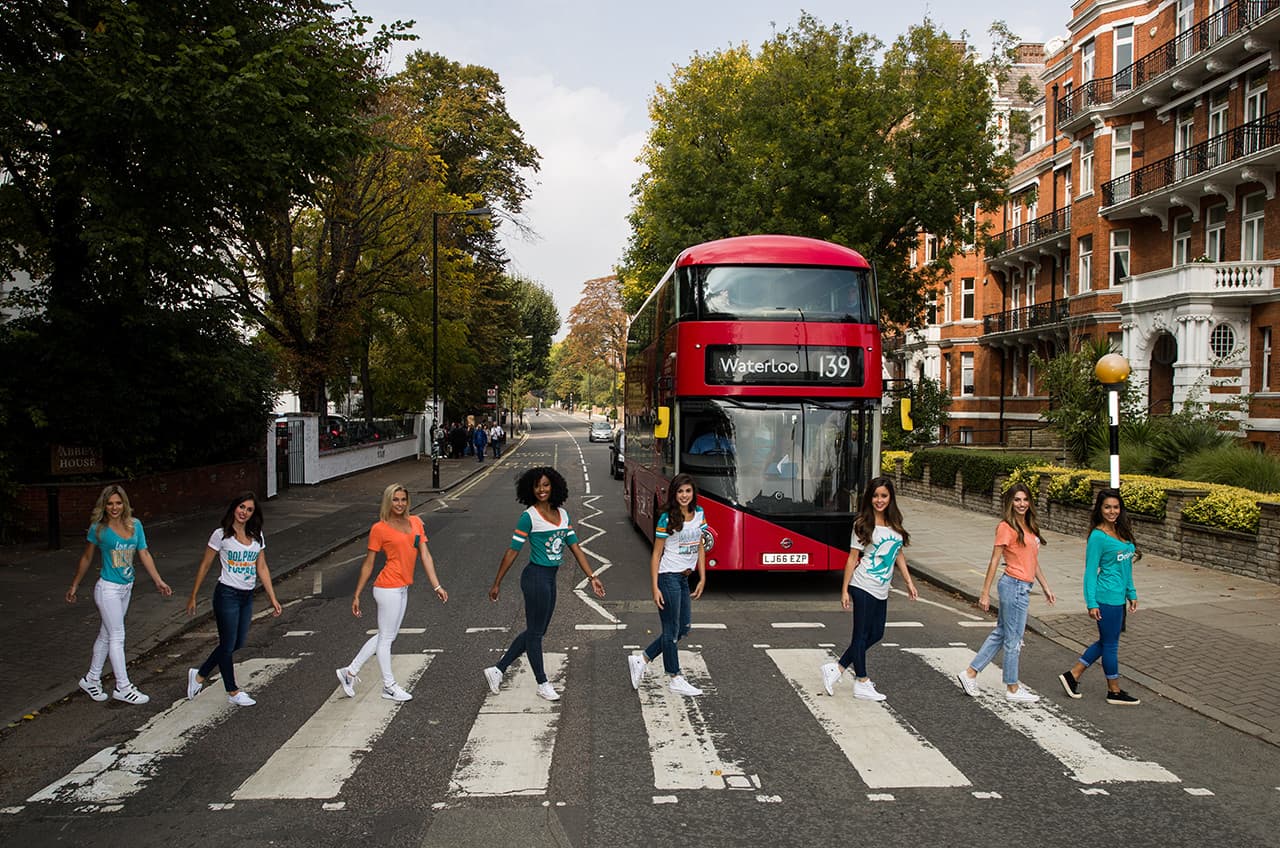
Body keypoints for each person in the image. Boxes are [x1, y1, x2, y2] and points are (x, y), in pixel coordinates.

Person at [485, 467, 604, 701]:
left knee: (536, 631)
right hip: (535, 577)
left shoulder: (563, 515)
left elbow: (575, 548)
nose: (542, 490)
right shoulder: (529, 517)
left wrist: (592, 577)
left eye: (546, 485)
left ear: (554, 487)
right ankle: (542, 683)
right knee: (536, 633)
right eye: (537, 486)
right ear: (530, 489)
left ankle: (498, 669)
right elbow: (512, 551)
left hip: (550, 578)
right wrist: (497, 582)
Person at [336, 483, 448, 701]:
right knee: (386, 638)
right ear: (388, 501)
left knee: (385, 635)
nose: (400, 504)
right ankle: (389, 686)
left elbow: (425, 555)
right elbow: (369, 563)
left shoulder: (415, 522)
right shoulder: (380, 528)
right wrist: (357, 594)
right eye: (395, 500)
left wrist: (437, 585)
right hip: (387, 588)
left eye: (403, 499)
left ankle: (349, 672)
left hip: (402, 587)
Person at [66, 485, 172, 705]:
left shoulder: (135, 525)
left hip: (126, 587)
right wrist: (75, 585)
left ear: (124, 503)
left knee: (106, 635)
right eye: (110, 504)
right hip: (108, 589)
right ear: (104, 506)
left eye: (118, 503)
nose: (114, 507)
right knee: (117, 635)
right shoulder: (99, 529)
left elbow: (144, 553)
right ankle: (123, 687)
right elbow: (87, 558)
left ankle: (91, 679)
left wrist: (158, 580)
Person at [821, 476, 918, 701]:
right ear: (869, 498)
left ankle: (837, 668)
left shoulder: (895, 523)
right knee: (861, 635)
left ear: (890, 498)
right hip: (863, 584)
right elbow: (852, 558)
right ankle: (862, 681)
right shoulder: (863, 524)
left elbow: (898, 553)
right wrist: (844, 590)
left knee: (876, 633)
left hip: (882, 588)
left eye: (883, 496)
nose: (879, 500)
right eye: (875, 496)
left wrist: (909, 582)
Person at [957, 483, 1055, 702]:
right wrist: (984, 593)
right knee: (1014, 639)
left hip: (1022, 586)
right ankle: (1012, 688)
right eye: (1017, 500)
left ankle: (970, 673)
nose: (1022, 504)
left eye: (1025, 499)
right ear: (1010, 502)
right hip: (1014, 586)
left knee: (1002, 633)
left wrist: (1045, 587)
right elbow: (994, 560)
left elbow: (1033, 561)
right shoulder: (1006, 527)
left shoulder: (1029, 526)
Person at [185, 492, 282, 706]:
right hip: (227, 594)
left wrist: (272, 597)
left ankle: (199, 674)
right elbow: (205, 565)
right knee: (227, 644)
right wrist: (193, 595)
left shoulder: (257, 536)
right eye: (241, 507)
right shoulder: (221, 535)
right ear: (234, 508)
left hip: (247, 596)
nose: (244, 512)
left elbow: (262, 567)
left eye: (249, 509)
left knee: (237, 643)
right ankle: (233, 691)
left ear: (253, 514)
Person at [1058, 488, 1142, 705]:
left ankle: (1073, 675)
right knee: (1111, 644)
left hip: (1119, 597)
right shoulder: (1098, 536)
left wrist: (1131, 592)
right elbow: (1090, 571)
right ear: (1099, 509)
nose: (1112, 511)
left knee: (1106, 641)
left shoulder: (1121, 531)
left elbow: (1126, 568)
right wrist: (1091, 602)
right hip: (1106, 597)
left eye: (1116, 507)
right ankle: (1114, 690)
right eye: (1107, 507)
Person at [628, 474, 707, 696]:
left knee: (683, 628)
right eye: (680, 491)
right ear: (674, 494)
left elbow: (700, 546)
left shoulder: (699, 514)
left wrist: (702, 578)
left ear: (693, 493)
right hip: (668, 577)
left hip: (684, 578)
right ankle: (675, 677)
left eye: (688, 491)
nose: (684, 495)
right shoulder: (666, 518)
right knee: (671, 630)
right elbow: (656, 555)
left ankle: (642, 659)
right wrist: (655, 587)